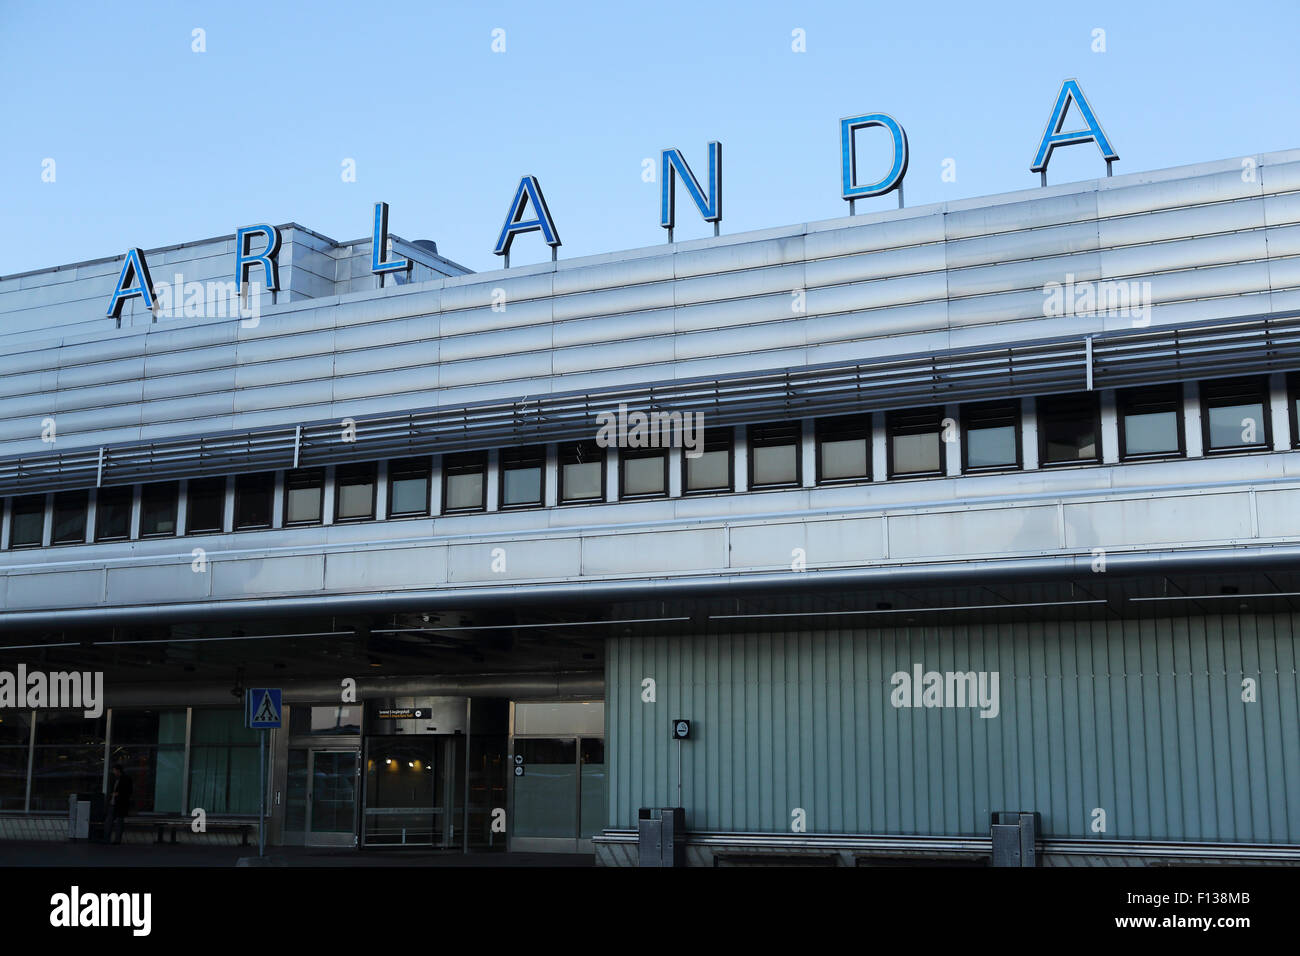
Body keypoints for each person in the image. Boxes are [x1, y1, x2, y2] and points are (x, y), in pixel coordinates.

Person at [103, 764, 133, 845]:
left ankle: (116, 840)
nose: (113, 772)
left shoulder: (125, 779)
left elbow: (129, 791)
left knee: (118, 822)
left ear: (118, 770)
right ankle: (107, 839)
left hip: (120, 803)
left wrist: (118, 794)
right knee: (109, 821)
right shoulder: (114, 779)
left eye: (114, 770)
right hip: (113, 803)